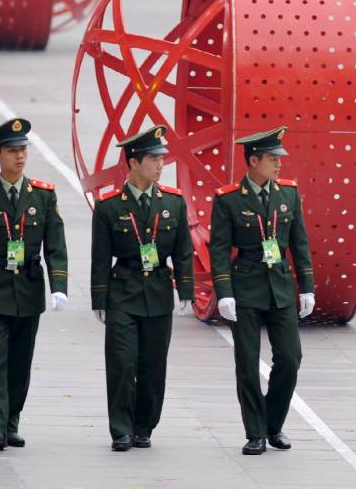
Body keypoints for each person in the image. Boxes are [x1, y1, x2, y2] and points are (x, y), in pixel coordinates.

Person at [0, 117, 69, 450]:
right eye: (12, 151)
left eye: (23, 150)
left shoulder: (44, 195)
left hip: (29, 287)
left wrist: (59, 285)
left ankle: (11, 421)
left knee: (20, 361)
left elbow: (55, 244)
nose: (20, 157)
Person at [209, 126, 315, 455]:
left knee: (290, 358)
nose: (279, 164)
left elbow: (299, 243)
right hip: (245, 284)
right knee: (247, 362)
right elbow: (219, 248)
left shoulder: (287, 193)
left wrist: (307, 287)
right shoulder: (228, 199)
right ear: (253, 161)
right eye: (272, 159)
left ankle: (273, 422)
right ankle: (255, 432)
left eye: (279, 158)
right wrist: (224, 292)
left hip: (280, 285)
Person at [91, 125, 195, 452]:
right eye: (153, 158)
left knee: (153, 365)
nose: (160, 164)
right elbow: (99, 256)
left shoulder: (173, 203)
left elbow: (182, 250)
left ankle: (144, 425)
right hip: (123, 289)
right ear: (133, 163)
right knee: (122, 362)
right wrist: (99, 297)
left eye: (162, 158)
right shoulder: (109, 206)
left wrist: (187, 292)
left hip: (159, 292)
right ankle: (120, 428)